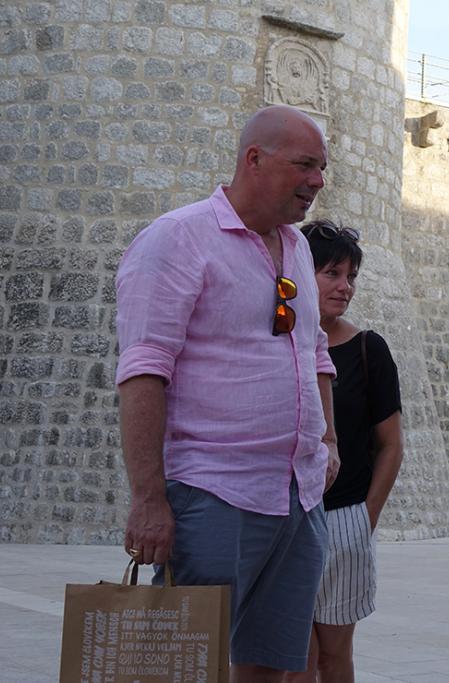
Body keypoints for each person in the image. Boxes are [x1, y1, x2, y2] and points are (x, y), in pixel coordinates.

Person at [115, 105, 340, 683]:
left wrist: (329, 441)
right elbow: (144, 371)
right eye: (305, 165)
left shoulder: (297, 248)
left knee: (270, 667)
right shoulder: (177, 239)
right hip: (213, 493)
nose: (318, 180)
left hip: (298, 497)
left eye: (322, 167)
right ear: (254, 159)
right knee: (184, 667)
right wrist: (148, 500)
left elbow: (315, 350)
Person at [287, 220, 404, 683]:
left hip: (344, 519)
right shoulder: (277, 345)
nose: (345, 287)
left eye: (351, 276)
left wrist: (365, 518)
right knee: (293, 657)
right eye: (332, 274)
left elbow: (391, 444)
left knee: (334, 657)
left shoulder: (368, 350)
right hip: (284, 517)